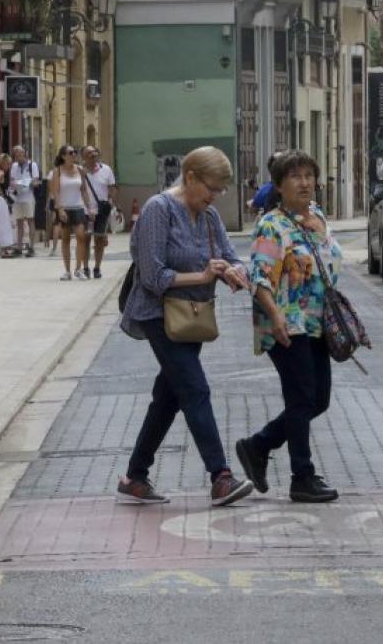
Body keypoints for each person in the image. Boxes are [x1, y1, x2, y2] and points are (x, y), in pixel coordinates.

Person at [117, 146, 254, 508]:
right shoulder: (158, 210)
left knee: (169, 396)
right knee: (194, 388)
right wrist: (204, 274)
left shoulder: (208, 217)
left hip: (191, 317)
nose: (215, 196)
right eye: (212, 187)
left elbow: (230, 254)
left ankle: (135, 476)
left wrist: (235, 272)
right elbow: (152, 275)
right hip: (158, 314)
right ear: (190, 177)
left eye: (221, 190)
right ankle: (220, 476)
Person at [235, 149, 343, 503]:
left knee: (319, 399)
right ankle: (302, 476)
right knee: (301, 398)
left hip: (317, 324)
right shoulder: (272, 225)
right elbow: (259, 276)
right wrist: (276, 315)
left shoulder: (317, 218)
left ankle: (259, 444)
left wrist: (322, 233)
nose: (305, 182)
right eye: (295, 177)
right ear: (279, 186)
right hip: (285, 323)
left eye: (309, 175)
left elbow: (333, 268)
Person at [51, 145, 93, 281]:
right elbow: (56, 191)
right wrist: (60, 209)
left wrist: (90, 207)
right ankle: (67, 271)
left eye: (75, 152)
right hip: (65, 208)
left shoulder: (80, 170)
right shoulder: (57, 171)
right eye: (70, 152)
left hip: (78, 207)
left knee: (81, 236)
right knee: (66, 239)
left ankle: (78, 269)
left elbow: (84, 190)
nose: (73, 154)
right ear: (63, 156)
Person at [84, 145, 118, 279]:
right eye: (89, 154)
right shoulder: (81, 171)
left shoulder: (106, 170)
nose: (93, 155)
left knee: (99, 240)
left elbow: (112, 187)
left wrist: (111, 201)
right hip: (86, 210)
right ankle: (85, 268)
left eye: (94, 153)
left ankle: (97, 267)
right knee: (85, 240)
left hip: (102, 210)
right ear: (84, 157)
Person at [8, 146, 40, 258]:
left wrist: (27, 183)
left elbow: (36, 181)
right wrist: (15, 185)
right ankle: (19, 247)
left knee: (31, 221)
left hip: (28, 197)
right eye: (16, 155)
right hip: (17, 198)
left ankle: (31, 247)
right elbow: (12, 181)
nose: (18, 157)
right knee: (19, 223)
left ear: (25, 155)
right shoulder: (14, 166)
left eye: (20, 155)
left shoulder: (32, 165)